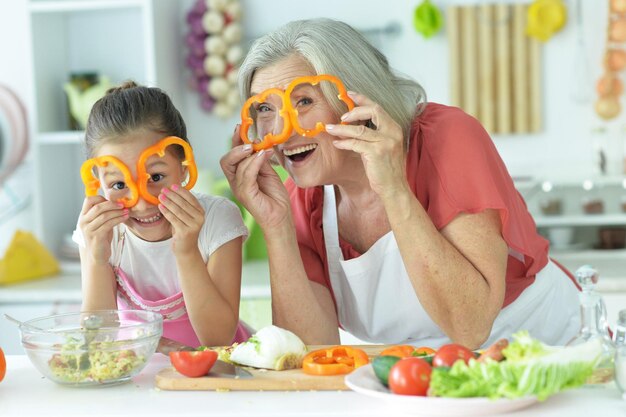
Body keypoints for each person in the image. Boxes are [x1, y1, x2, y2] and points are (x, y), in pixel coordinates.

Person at [220, 18, 581, 349]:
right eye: (264, 109)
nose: (282, 130)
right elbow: (310, 351)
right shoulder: (301, 202)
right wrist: (275, 228)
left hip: (550, 355)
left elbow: (470, 327)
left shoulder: (447, 140)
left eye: (303, 100)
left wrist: (393, 189)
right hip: (427, 380)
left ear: (357, 98)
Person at [74, 81, 250, 347]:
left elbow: (218, 339)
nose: (143, 204)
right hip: (139, 370)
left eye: (156, 177)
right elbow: (97, 341)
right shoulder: (99, 229)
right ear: (98, 181)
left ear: (184, 168)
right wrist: (98, 259)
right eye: (119, 185)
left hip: (216, 369)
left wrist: (186, 250)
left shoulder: (217, 220)